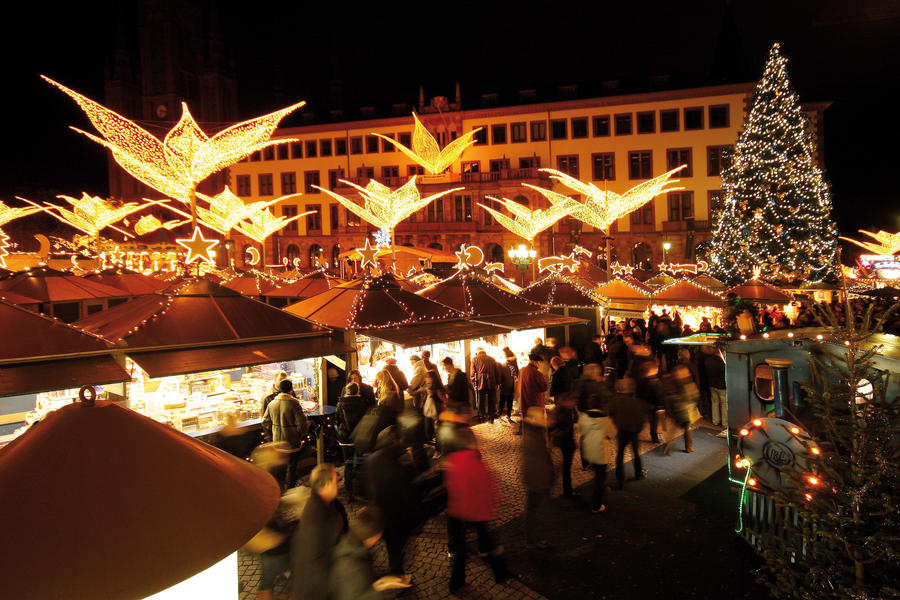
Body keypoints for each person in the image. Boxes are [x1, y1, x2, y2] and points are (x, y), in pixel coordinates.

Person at [444, 427, 508, 593]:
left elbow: (451, 485)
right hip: (479, 510)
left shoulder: (454, 460)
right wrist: (494, 504)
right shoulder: (476, 461)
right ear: (471, 442)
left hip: (459, 510)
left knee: (460, 548)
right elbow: (488, 486)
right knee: (487, 539)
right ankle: (499, 571)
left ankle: (456, 582)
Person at [363, 427, 421, 576]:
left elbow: (368, 486)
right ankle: (398, 574)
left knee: (393, 546)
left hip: (381, 510)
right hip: (398, 512)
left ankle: (396, 571)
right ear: (394, 442)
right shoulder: (399, 461)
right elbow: (409, 487)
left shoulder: (372, 459)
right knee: (397, 546)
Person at [329, 507, 411, 600]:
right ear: (376, 536)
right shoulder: (353, 565)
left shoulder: (352, 543)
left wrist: (383, 580)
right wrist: (382, 586)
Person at [292, 464, 347, 600]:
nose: (339, 484)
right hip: (318, 589)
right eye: (336, 481)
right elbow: (314, 558)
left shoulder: (330, 503)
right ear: (326, 485)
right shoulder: (315, 514)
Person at [263, 379, 309, 489]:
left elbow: (265, 422)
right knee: (291, 466)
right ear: (291, 390)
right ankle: (290, 488)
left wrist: (272, 433)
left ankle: (279, 489)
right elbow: (301, 424)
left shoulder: (272, 403)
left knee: (280, 466)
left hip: (277, 440)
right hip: (291, 440)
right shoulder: (294, 403)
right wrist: (300, 434)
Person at [522, 406, 554, 548]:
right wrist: (544, 481)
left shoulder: (534, 432)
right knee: (533, 510)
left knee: (533, 508)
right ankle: (532, 539)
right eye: (542, 418)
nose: (545, 420)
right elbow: (536, 461)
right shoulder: (533, 437)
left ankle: (532, 537)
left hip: (537, 479)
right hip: (537, 480)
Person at [608, 378, 647, 489]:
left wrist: (616, 424)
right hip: (634, 430)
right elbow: (642, 417)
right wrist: (639, 428)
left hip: (622, 430)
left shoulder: (615, 400)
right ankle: (638, 473)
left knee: (620, 454)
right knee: (635, 452)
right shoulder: (636, 401)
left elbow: (610, 413)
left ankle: (620, 479)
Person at [578, 392, 613, 513]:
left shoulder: (584, 416)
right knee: (600, 477)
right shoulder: (605, 418)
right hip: (601, 452)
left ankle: (600, 490)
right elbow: (612, 433)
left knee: (597, 474)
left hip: (589, 450)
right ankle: (596, 505)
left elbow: (581, 431)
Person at [664, 366, 698, 454]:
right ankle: (689, 447)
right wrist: (692, 403)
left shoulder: (669, 381)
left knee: (675, 426)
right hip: (685, 408)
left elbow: (667, 396)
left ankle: (669, 443)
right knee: (687, 426)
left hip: (674, 408)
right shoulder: (685, 381)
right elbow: (693, 394)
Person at [549, 392, 577, 498]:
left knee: (564, 467)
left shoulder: (561, 410)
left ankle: (566, 489)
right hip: (564, 442)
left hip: (562, 442)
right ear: (565, 401)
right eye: (571, 401)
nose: (573, 403)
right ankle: (567, 491)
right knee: (565, 467)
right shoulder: (563, 411)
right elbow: (553, 426)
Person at [517, 350, 548, 435]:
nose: (540, 364)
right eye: (539, 362)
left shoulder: (522, 370)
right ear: (535, 362)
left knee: (526, 426)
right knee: (536, 429)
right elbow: (544, 387)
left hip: (524, 403)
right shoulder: (537, 373)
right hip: (535, 404)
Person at [635, 360, 665, 444]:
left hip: (644, 404)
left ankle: (637, 432)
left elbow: (638, 393)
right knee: (655, 422)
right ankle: (655, 437)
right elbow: (660, 395)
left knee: (646, 420)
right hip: (655, 406)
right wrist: (661, 404)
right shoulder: (656, 382)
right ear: (652, 370)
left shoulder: (640, 381)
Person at [470, 347, 498, 423]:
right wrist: (497, 383)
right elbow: (496, 371)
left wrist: (473, 382)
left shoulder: (475, 359)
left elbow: (472, 372)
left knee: (481, 400)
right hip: (491, 381)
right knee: (491, 400)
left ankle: (482, 416)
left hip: (480, 381)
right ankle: (491, 417)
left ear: (478, 352)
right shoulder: (492, 358)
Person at [703, 346, 727, 427]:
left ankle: (715, 420)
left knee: (714, 402)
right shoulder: (722, 362)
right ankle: (725, 423)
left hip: (712, 385)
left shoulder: (708, 360)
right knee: (724, 404)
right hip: (722, 386)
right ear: (721, 352)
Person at [422, 370, 445, 441]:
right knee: (428, 432)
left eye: (428, 377)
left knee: (437, 432)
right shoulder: (426, 386)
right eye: (425, 377)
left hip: (435, 412)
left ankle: (438, 447)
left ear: (433, 378)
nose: (426, 378)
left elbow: (442, 399)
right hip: (427, 412)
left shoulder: (436, 388)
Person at [497, 349, 516, 423]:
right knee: (509, 401)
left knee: (502, 401)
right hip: (511, 385)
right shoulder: (513, 366)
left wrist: (499, 384)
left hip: (504, 385)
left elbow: (500, 376)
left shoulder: (503, 365)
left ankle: (500, 414)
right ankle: (508, 415)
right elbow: (515, 376)